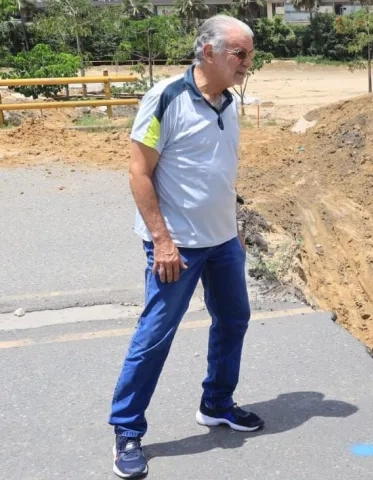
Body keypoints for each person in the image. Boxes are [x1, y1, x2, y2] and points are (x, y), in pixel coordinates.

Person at [108, 15, 263, 479]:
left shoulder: (229, 103)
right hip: (177, 247)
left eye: (250, 54)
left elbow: (219, 174)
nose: (247, 63)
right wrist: (162, 241)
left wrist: (232, 226)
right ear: (208, 52)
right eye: (241, 53)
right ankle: (127, 430)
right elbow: (139, 172)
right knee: (155, 335)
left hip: (222, 241)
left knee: (234, 319)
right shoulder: (166, 99)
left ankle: (216, 403)